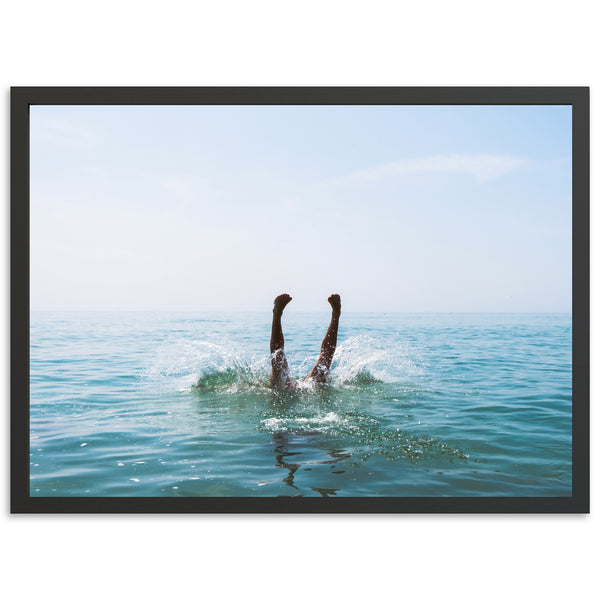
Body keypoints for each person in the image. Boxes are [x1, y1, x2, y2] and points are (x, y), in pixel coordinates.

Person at [270, 293, 341, 390]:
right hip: (293, 392)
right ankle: (277, 315)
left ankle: (335, 315)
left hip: (302, 391)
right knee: (278, 357)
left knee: (325, 361)